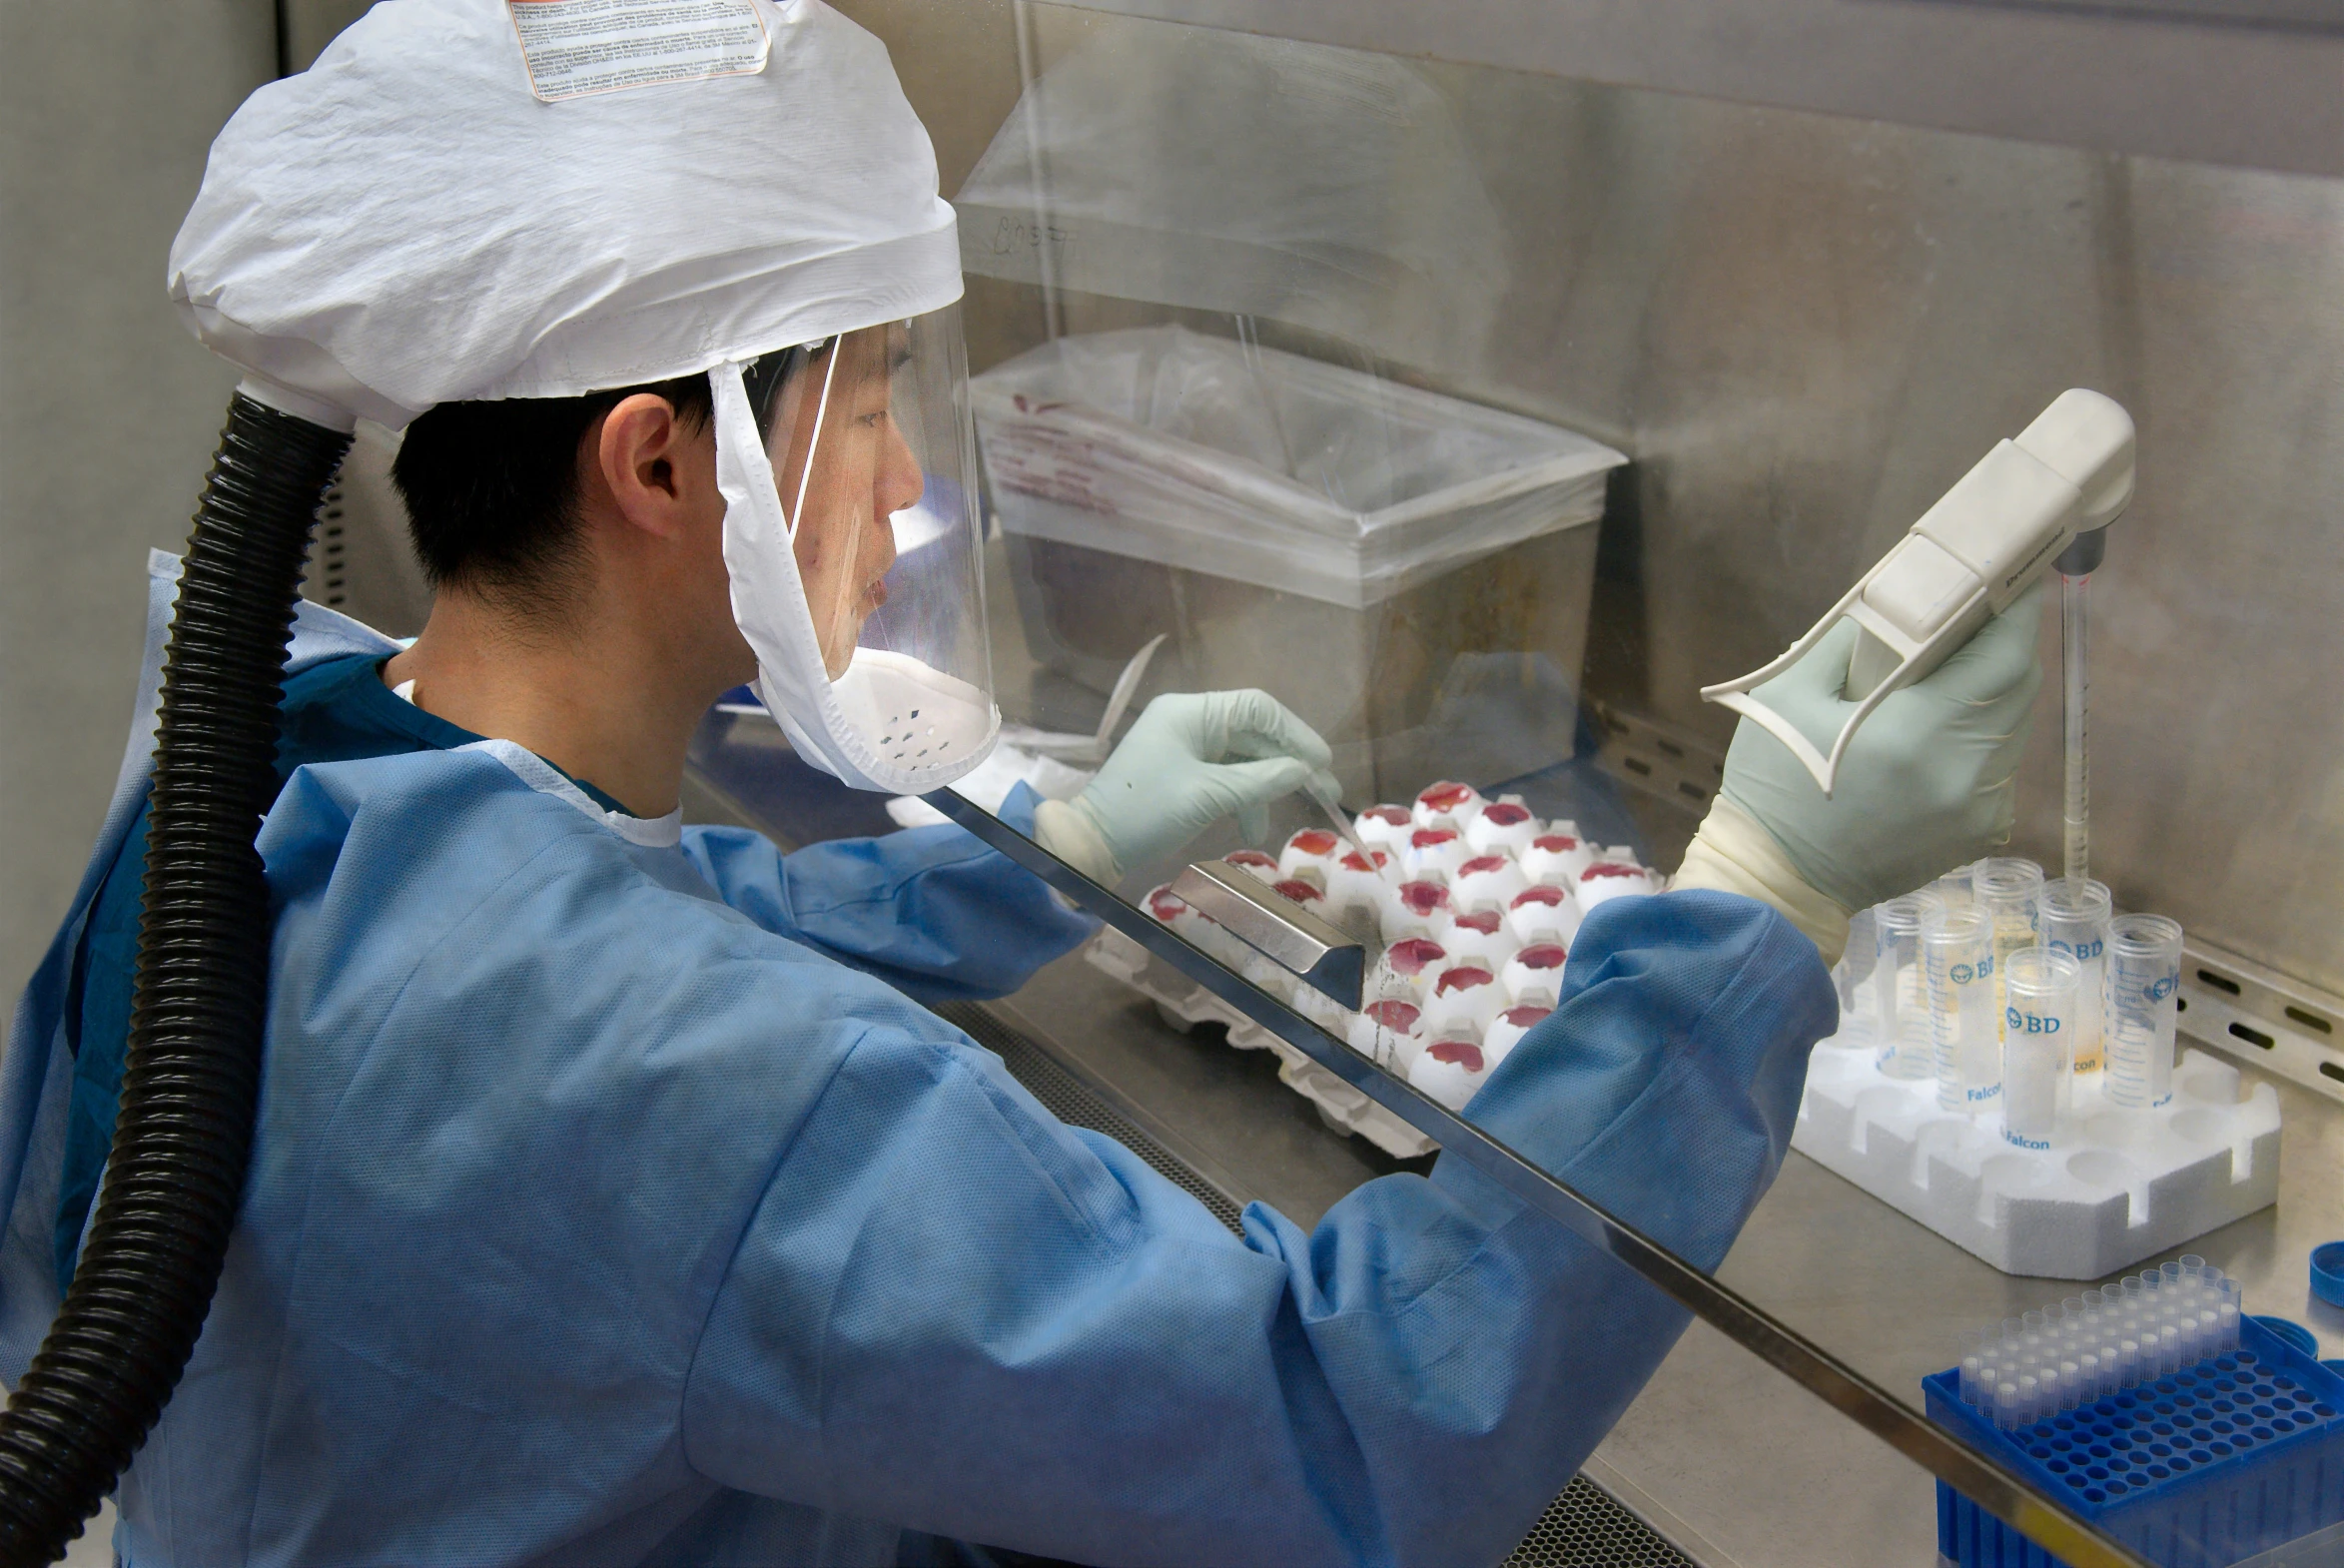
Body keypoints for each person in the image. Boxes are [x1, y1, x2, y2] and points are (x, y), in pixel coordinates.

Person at [0, 2, 2041, 1562]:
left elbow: (611, 941)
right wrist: (1765, 895)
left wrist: (1044, 858)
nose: (898, 489)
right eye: (869, 399)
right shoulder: (715, 1090)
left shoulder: (259, 773)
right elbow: (1353, 1416)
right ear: (658, 464)